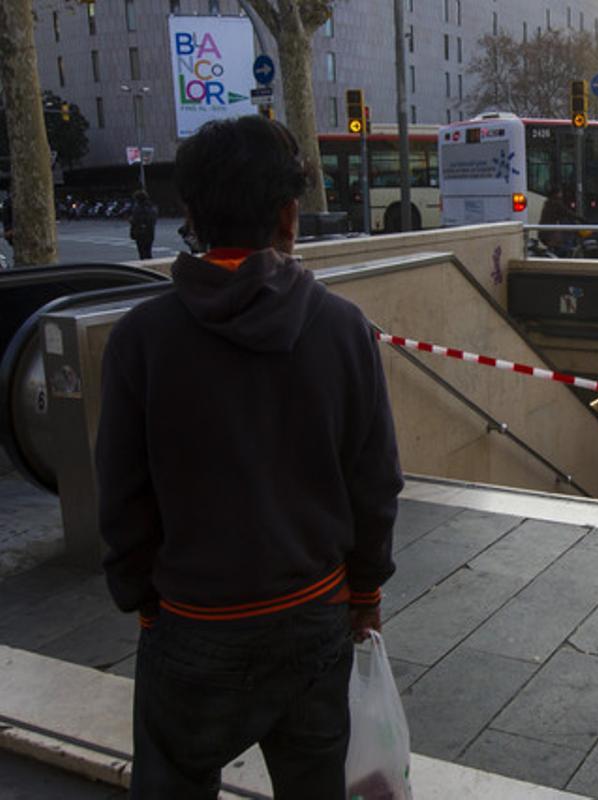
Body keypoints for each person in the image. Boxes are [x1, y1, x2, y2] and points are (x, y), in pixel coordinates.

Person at [95, 115, 404, 798]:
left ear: (192, 215)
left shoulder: (141, 340)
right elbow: (375, 481)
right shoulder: (343, 328)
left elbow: (120, 495)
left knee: (173, 776)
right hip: (313, 617)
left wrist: (144, 602)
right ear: (289, 215)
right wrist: (365, 591)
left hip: (192, 624)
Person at [537, 186, 581, 257]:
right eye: (560, 192)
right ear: (556, 194)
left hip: (544, 231)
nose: (561, 194)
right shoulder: (556, 203)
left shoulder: (549, 202)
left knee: (561, 239)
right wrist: (580, 218)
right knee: (564, 239)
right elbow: (567, 212)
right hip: (549, 232)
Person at [129, 190, 158, 260]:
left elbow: (136, 220)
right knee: (148, 251)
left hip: (140, 233)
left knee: (142, 252)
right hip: (150, 232)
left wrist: (131, 221)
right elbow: (153, 219)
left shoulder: (138, 208)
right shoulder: (152, 207)